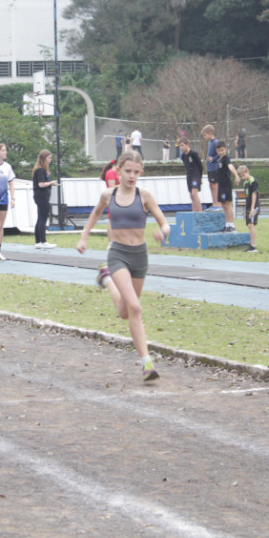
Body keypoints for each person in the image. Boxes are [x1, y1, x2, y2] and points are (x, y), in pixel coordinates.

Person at [75, 151, 170, 382]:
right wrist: (83, 237)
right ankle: (147, 363)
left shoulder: (145, 195)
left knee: (125, 312)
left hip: (140, 256)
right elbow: (95, 214)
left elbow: (164, 222)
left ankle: (106, 280)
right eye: (128, 171)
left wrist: (163, 232)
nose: (131, 176)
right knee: (136, 308)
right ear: (118, 170)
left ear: (141, 173)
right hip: (118, 254)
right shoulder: (109, 195)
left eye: (136, 172)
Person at [32, 149, 59, 249]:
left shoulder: (39, 169)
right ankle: (43, 241)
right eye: (49, 157)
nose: (50, 159)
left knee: (40, 218)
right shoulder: (41, 170)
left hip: (40, 196)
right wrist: (51, 183)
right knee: (43, 218)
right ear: (44, 158)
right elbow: (41, 184)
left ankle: (38, 241)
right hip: (42, 196)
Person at [214, 141, 240, 232]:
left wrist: (236, 175)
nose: (221, 152)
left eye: (222, 150)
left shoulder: (226, 159)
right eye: (219, 150)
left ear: (225, 149)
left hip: (226, 185)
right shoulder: (218, 160)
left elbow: (230, 166)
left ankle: (232, 225)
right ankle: (227, 224)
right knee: (224, 205)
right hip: (221, 186)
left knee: (228, 204)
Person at [178, 137, 203, 211]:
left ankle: (200, 212)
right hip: (189, 175)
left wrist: (200, 177)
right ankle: (194, 213)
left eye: (182, 145)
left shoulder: (193, 154)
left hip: (196, 175)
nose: (181, 148)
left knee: (194, 193)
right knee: (191, 196)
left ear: (187, 144)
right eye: (180, 146)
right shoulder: (183, 156)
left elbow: (200, 166)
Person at [238, 165, 259, 252]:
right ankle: (251, 244)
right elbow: (247, 197)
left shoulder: (252, 181)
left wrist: (252, 208)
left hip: (253, 206)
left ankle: (253, 246)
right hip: (248, 207)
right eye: (241, 176)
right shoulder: (245, 183)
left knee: (251, 225)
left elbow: (254, 194)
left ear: (247, 171)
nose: (243, 178)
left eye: (243, 175)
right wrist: (245, 211)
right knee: (249, 226)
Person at [202, 124, 218, 209]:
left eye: (205, 135)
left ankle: (217, 203)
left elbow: (220, 153)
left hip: (214, 168)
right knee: (211, 185)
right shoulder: (210, 142)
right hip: (210, 168)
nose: (204, 137)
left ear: (210, 133)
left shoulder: (215, 142)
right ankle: (214, 201)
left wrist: (214, 158)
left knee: (215, 185)